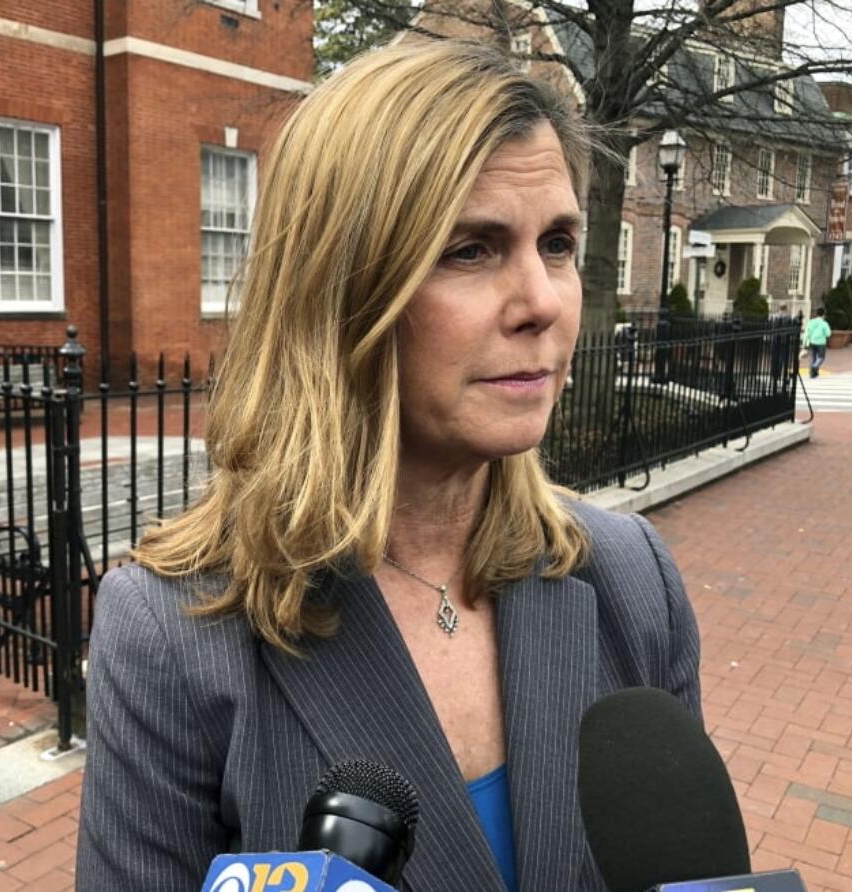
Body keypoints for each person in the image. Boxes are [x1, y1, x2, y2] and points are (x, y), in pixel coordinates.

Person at [75, 39, 702, 892]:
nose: (544, 302)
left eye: (556, 242)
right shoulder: (176, 635)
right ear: (343, 289)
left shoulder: (632, 579)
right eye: (471, 249)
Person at [802, 307, 832, 378]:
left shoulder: (811, 322)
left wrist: (804, 343)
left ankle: (813, 373)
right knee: (821, 357)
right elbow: (828, 334)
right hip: (821, 343)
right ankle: (814, 367)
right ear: (823, 315)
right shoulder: (824, 323)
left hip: (812, 342)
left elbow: (807, 333)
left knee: (813, 358)